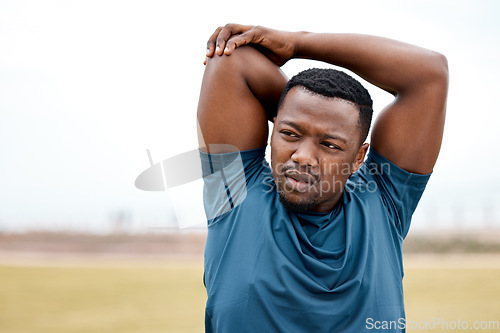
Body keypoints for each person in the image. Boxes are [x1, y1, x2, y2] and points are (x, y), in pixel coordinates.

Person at [197, 24, 448, 332]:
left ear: (358, 157)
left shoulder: (383, 197)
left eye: (329, 144)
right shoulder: (236, 190)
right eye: (289, 133)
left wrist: (297, 43)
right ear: (272, 131)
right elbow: (232, 59)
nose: (302, 156)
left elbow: (429, 73)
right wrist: (303, 100)